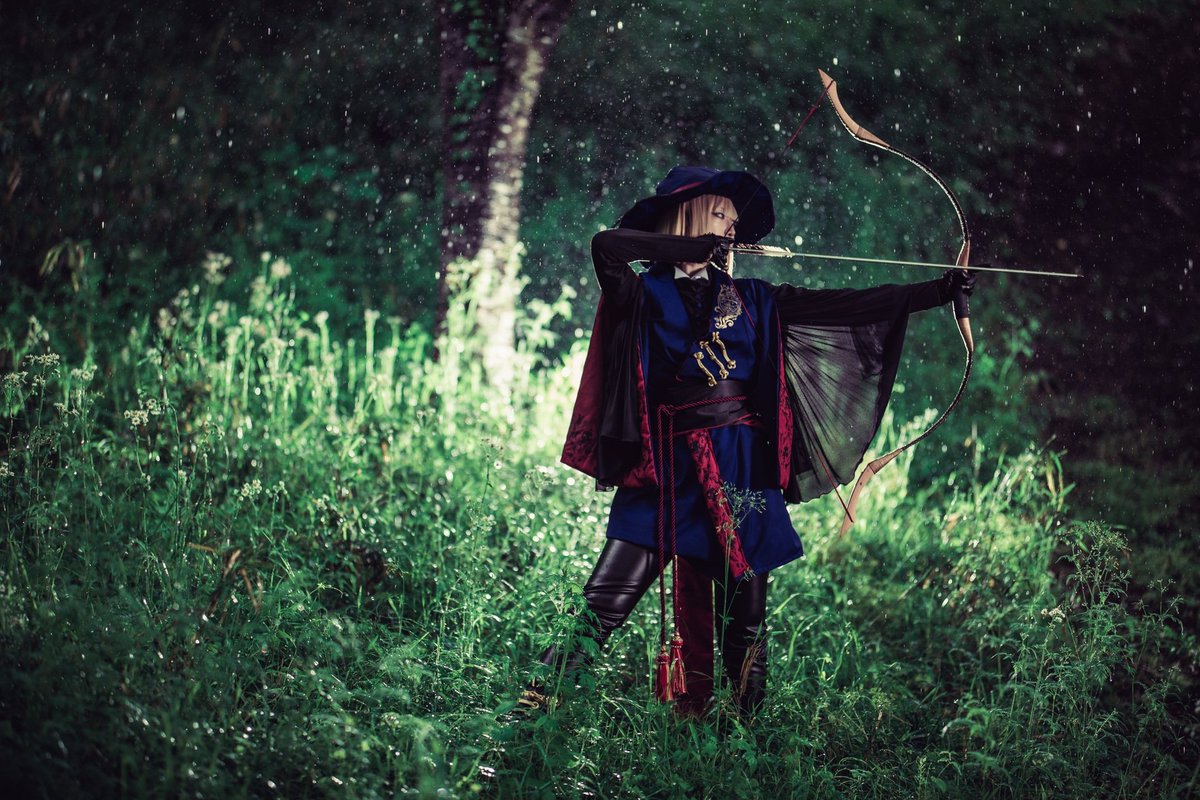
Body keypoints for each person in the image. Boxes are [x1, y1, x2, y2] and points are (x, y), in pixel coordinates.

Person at [523, 165, 975, 719]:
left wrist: (939, 291)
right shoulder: (637, 292)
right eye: (719, 214)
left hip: (741, 471)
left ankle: (746, 738)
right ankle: (528, 713)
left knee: (745, 624)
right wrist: (688, 248)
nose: (730, 229)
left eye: (733, 223)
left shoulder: (753, 297)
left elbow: (849, 304)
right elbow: (607, 246)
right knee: (602, 606)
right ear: (685, 215)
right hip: (665, 473)